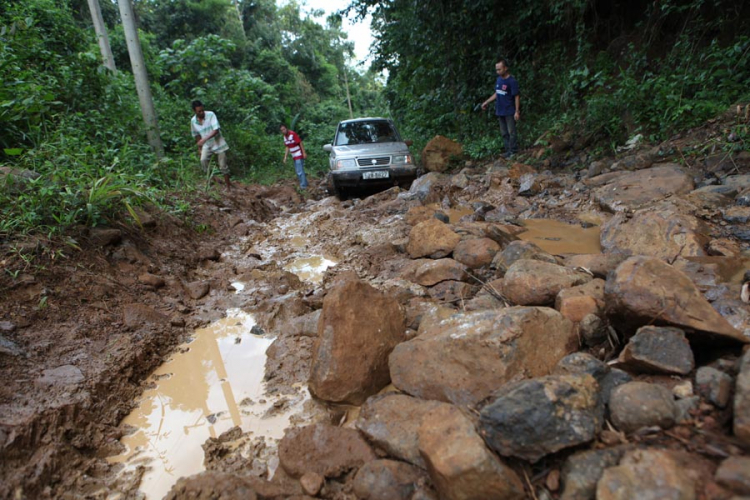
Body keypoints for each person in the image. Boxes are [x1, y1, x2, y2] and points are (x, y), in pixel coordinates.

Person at [481, 58, 520, 158]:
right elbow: (497, 93)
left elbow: (516, 96)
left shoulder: (512, 81)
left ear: (505, 68)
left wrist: (517, 111)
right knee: (504, 133)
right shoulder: (499, 79)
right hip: (500, 110)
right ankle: (507, 151)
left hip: (509, 110)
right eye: (496, 70)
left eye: (499, 69)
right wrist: (487, 101)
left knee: (511, 132)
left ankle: (513, 151)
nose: (498, 72)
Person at [190, 100, 231, 189]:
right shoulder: (193, 121)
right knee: (203, 160)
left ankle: (228, 187)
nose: (201, 113)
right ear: (194, 111)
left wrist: (204, 139)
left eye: (202, 110)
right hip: (206, 144)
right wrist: (199, 148)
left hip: (218, 142)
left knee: (223, 165)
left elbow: (216, 130)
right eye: (199, 111)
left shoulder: (210, 115)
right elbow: (196, 134)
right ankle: (214, 180)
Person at [280, 124, 308, 190]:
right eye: (282, 130)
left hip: (298, 153)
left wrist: (303, 152)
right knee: (298, 170)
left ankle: (303, 186)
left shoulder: (293, 134)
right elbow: (287, 147)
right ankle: (305, 183)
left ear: (286, 128)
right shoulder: (284, 137)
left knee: (299, 170)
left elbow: (300, 142)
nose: (283, 131)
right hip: (294, 155)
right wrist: (285, 157)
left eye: (284, 129)